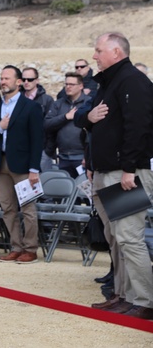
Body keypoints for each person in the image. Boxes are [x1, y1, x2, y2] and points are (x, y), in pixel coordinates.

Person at [78, 33, 153, 318]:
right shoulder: (110, 82)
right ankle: (126, 296)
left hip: (125, 173)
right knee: (119, 238)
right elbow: (84, 117)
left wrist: (129, 170)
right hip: (108, 170)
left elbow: (139, 128)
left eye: (98, 50)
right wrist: (88, 119)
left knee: (130, 238)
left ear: (116, 52)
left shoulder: (133, 81)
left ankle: (144, 302)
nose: (94, 55)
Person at [0, 65, 44, 264]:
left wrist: (34, 169)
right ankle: (15, 247)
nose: (3, 82)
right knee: (8, 208)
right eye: (1, 78)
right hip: (1, 164)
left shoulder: (31, 107)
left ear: (19, 82)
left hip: (24, 165)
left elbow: (38, 140)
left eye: (7, 78)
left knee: (27, 208)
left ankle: (30, 249)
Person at [42, 72, 91, 177]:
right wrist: (65, 117)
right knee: (66, 191)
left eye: (72, 84)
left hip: (82, 157)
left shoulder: (89, 103)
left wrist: (88, 156)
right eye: (66, 84)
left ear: (81, 86)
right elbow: (47, 124)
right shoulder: (58, 104)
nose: (68, 87)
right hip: (63, 157)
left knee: (83, 191)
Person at [21, 67, 55, 172]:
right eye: (24, 79)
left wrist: (48, 150)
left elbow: (52, 125)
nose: (26, 82)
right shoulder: (17, 99)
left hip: (42, 151)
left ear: (37, 80)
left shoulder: (47, 100)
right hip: (22, 151)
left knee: (44, 183)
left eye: (30, 79)